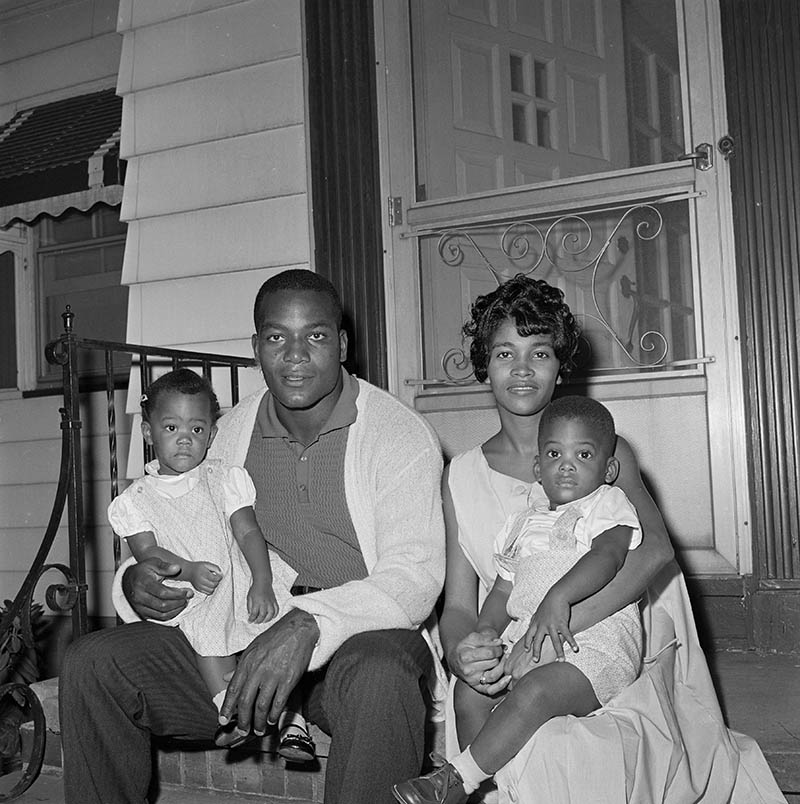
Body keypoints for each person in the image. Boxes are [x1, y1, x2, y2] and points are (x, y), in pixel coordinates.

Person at [59, 269, 446, 804]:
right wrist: (134, 585)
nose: (294, 354)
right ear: (256, 347)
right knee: (94, 663)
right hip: (244, 636)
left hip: (359, 645)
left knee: (385, 670)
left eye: (314, 335)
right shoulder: (227, 436)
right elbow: (178, 525)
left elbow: (414, 579)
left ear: (342, 343)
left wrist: (308, 624)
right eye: (275, 337)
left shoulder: (399, 435)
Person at [438, 274, 674, 800]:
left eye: (539, 353)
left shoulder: (603, 452)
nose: (521, 369)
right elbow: (460, 602)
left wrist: (549, 633)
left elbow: (653, 550)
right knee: (474, 699)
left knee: (567, 750)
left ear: (560, 363)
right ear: (484, 365)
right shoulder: (461, 476)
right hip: (512, 640)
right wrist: (464, 650)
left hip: (598, 637)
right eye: (504, 353)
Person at [393, 396, 643, 804]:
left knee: (535, 691)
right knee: (470, 691)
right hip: (527, 640)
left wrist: (557, 597)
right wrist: (487, 631)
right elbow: (503, 589)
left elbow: (609, 556)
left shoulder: (606, 503)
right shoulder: (521, 523)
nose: (567, 464)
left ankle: (459, 780)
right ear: (537, 468)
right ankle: (492, 792)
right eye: (554, 454)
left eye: (583, 454)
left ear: (609, 468)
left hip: (593, 644)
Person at [107, 367, 312, 755]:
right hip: (193, 587)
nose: (184, 438)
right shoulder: (135, 501)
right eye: (171, 428)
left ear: (212, 435)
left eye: (197, 429)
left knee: (277, 628)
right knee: (208, 636)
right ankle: (229, 710)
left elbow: (249, 532)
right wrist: (189, 571)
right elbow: (148, 554)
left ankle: (294, 723)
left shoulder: (223, 478)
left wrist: (262, 581)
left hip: (239, 574)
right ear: (149, 433)